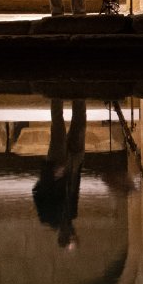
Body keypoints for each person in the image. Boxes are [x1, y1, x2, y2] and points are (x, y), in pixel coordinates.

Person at [32, 98, 86, 250]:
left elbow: (37, 191)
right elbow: (74, 189)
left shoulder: (48, 217)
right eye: (74, 235)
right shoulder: (72, 214)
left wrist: (53, 174)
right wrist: (77, 166)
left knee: (58, 126)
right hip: (73, 165)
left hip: (56, 165)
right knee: (80, 122)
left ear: (63, 235)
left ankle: (56, 93)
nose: (73, 232)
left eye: (71, 235)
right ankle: (79, 93)